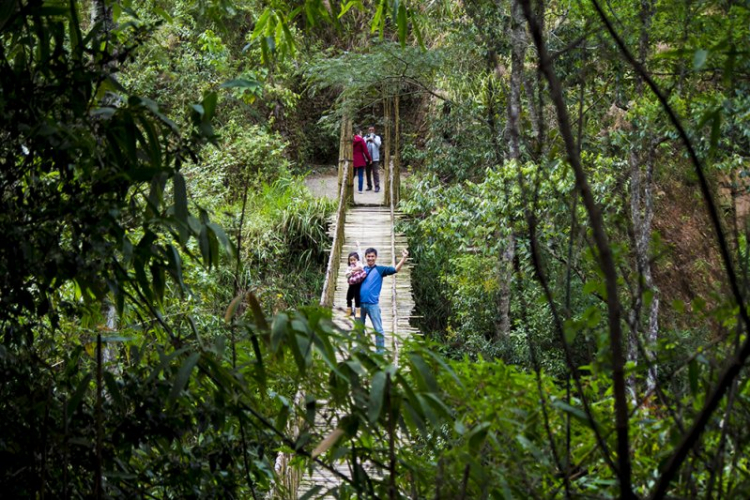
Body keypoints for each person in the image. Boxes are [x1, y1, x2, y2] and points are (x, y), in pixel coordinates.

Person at [359, 247, 409, 353]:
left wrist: (403, 258)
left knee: (378, 330)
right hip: (359, 305)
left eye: (372, 256)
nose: (370, 258)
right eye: (368, 256)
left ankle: (380, 353)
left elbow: (395, 269)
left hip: (373, 305)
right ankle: (361, 352)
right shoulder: (362, 269)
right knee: (359, 329)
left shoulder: (380, 269)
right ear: (365, 257)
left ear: (376, 257)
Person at [345, 242, 365, 317]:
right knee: (348, 297)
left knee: (357, 297)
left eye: (354, 260)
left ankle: (357, 312)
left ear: (357, 260)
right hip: (351, 284)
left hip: (358, 284)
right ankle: (349, 310)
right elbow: (347, 275)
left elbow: (360, 256)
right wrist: (352, 271)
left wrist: (358, 246)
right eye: (351, 260)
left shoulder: (359, 264)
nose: (353, 261)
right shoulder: (349, 267)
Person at [352, 130, 372, 194]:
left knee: (352, 174)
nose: (362, 134)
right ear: (359, 133)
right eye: (361, 133)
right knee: (360, 175)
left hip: (352, 159)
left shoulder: (351, 139)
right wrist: (370, 159)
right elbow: (365, 151)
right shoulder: (361, 140)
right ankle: (360, 190)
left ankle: (348, 186)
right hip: (360, 160)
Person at [365, 125, 382, 192]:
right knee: (367, 172)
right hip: (367, 158)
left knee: (375, 172)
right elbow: (362, 145)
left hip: (375, 158)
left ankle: (377, 186)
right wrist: (367, 140)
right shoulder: (365, 137)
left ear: (374, 130)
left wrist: (373, 140)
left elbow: (378, 144)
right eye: (370, 130)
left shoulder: (377, 137)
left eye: (372, 130)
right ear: (368, 130)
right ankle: (369, 186)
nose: (371, 131)